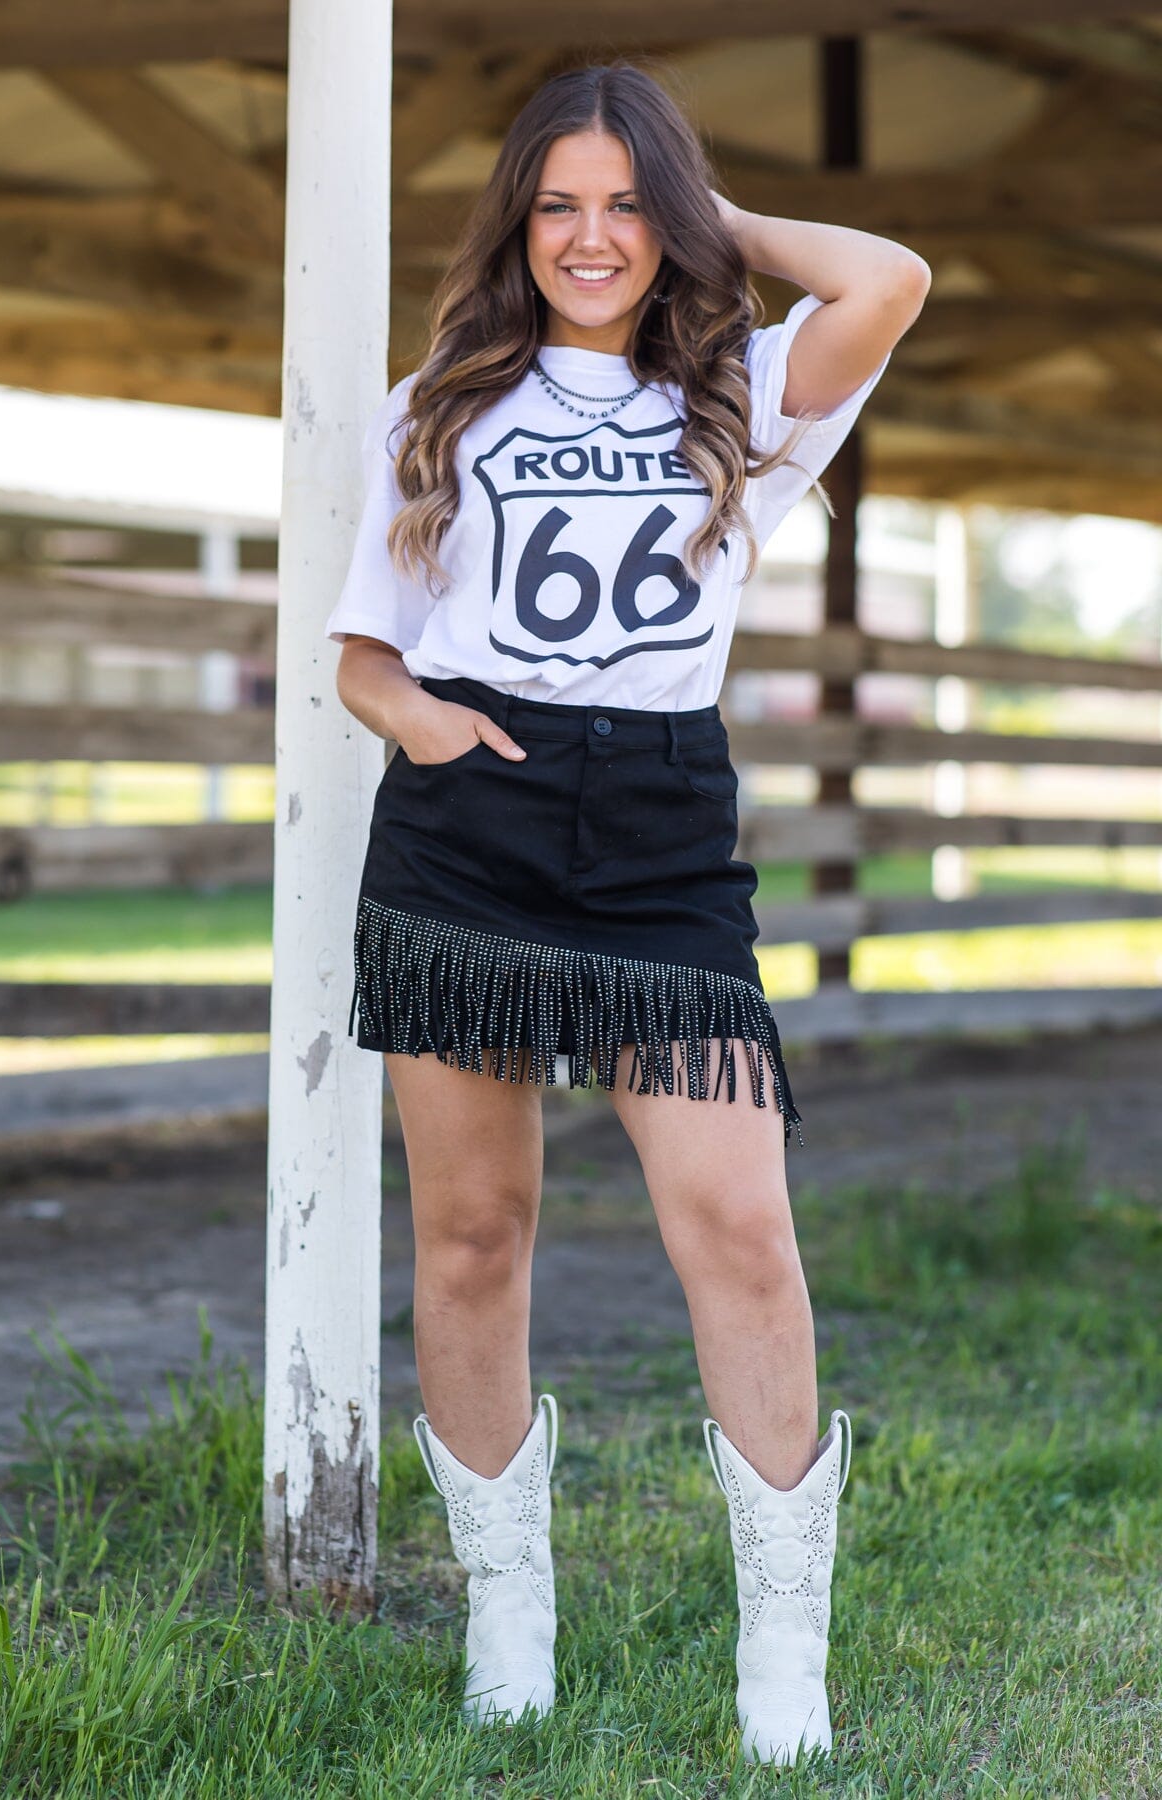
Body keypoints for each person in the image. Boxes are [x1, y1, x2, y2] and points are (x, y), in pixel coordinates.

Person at [327, 59, 929, 1769]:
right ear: (520, 223)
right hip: (469, 828)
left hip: (663, 831)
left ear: (663, 217)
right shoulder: (437, 400)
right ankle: (507, 1612)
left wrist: (713, 218)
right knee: (471, 1233)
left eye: (625, 203)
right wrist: (436, 728)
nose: (591, 238)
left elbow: (890, 278)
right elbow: (366, 654)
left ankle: (782, 1645)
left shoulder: (749, 389)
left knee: (737, 1223)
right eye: (559, 204)